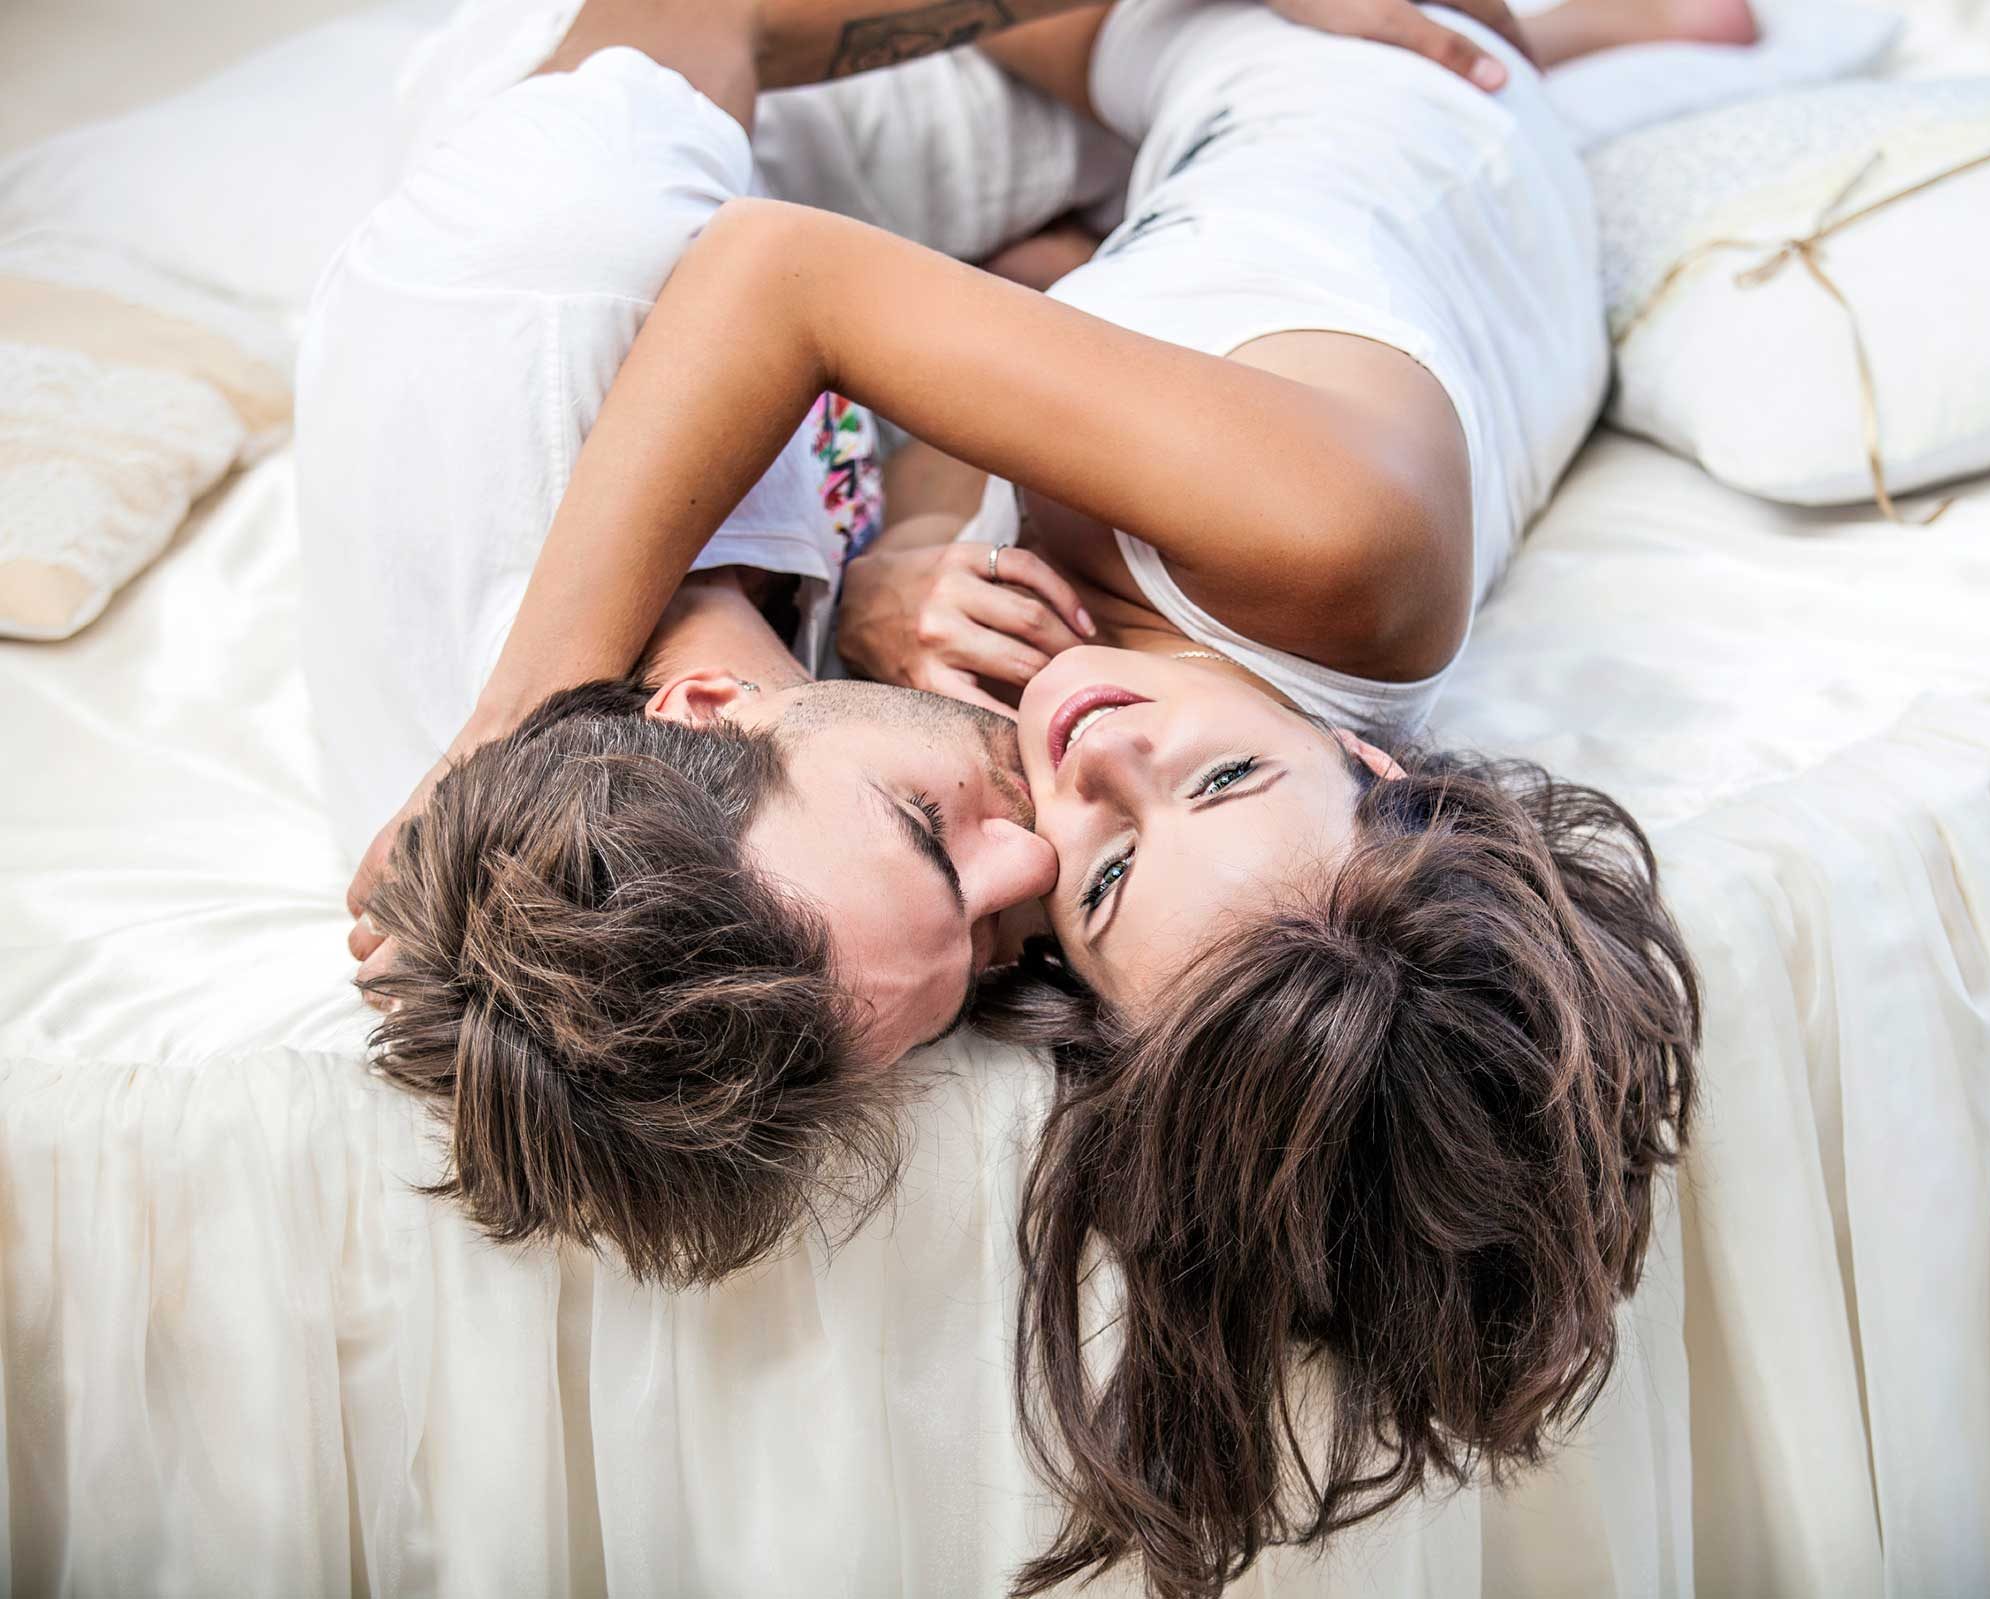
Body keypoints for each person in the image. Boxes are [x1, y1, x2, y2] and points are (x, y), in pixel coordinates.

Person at [363, 0, 1729, 1589]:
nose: (1087, 762)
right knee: (673, 28)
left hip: (1332, 230)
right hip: (1349, 73)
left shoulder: (1055, 787)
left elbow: (982, 366)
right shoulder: (1336, 542)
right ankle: (1553, 31)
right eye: (1222, 775)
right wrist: (518, 716)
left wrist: (891, 577)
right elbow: (780, 272)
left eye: (1100, 879)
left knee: (954, 200)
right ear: (1380, 766)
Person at [306, 0, 1547, 1282]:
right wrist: (893, 566)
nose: (1053, 816)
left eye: (933, 827)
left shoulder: (567, 277)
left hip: (1289, 120)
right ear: (1378, 766)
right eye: (1080, 898)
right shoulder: (1308, 590)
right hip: (1364, 111)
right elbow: (930, 338)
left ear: (700, 701)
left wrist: (529, 705)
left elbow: (871, 312)